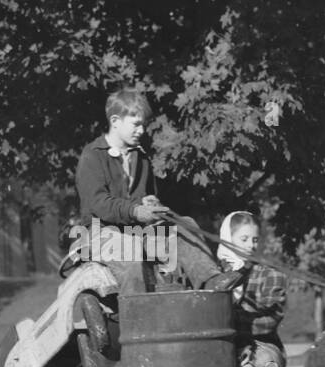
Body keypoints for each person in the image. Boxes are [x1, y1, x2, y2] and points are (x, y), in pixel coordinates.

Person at [74, 86, 245, 296]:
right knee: (130, 254)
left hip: (136, 231)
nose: (142, 131)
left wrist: (150, 203)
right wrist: (136, 211)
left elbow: (144, 197)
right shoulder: (92, 155)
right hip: (100, 232)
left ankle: (211, 280)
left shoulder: (141, 157)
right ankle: (137, 322)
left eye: (143, 125)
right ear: (116, 121)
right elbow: (98, 203)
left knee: (186, 225)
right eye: (136, 124)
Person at [217, 211, 290, 367]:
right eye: (244, 239)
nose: (251, 245)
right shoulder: (216, 277)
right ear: (228, 239)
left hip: (265, 344)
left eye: (255, 240)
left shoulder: (270, 275)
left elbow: (270, 320)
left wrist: (234, 322)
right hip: (227, 346)